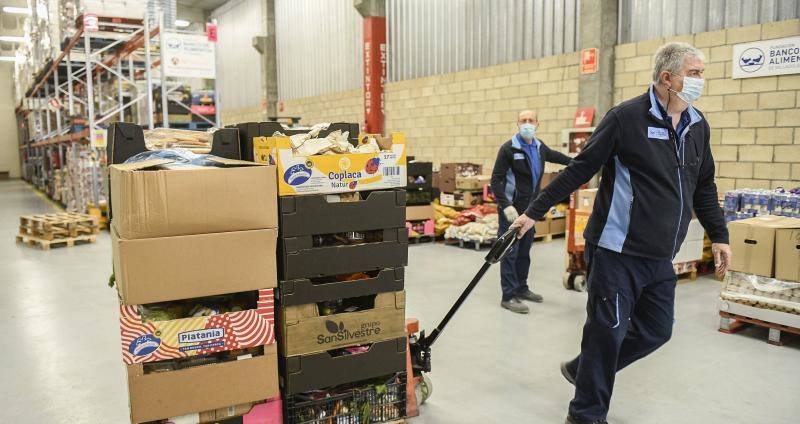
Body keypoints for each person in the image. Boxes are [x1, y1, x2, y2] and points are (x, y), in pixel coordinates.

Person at [511, 43, 732, 423]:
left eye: (701, 74)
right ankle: (586, 413)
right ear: (667, 78)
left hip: (661, 255)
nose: (700, 81)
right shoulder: (626, 118)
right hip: (616, 250)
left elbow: (704, 186)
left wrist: (720, 234)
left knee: (656, 331)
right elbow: (580, 169)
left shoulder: (698, 125)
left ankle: (584, 370)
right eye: (694, 73)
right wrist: (534, 212)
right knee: (606, 332)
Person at [490, 110, 572, 314]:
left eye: (531, 121)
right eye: (523, 121)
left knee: (524, 251)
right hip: (511, 210)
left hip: (530, 210)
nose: (527, 124)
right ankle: (508, 296)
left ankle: (521, 288)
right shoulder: (509, 149)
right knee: (510, 252)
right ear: (517, 124)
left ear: (538, 123)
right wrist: (505, 205)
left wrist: (581, 162)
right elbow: (496, 180)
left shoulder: (540, 147)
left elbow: (558, 157)